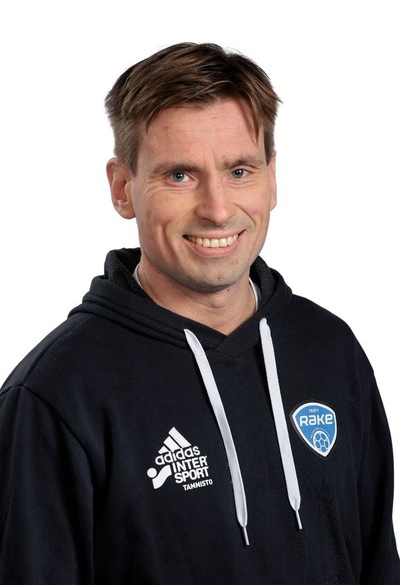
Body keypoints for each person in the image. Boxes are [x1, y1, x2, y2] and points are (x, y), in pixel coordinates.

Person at [0, 42, 399, 584]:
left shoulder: (330, 350)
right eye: (180, 176)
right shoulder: (55, 394)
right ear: (123, 189)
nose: (217, 209)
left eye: (239, 171)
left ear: (272, 177)